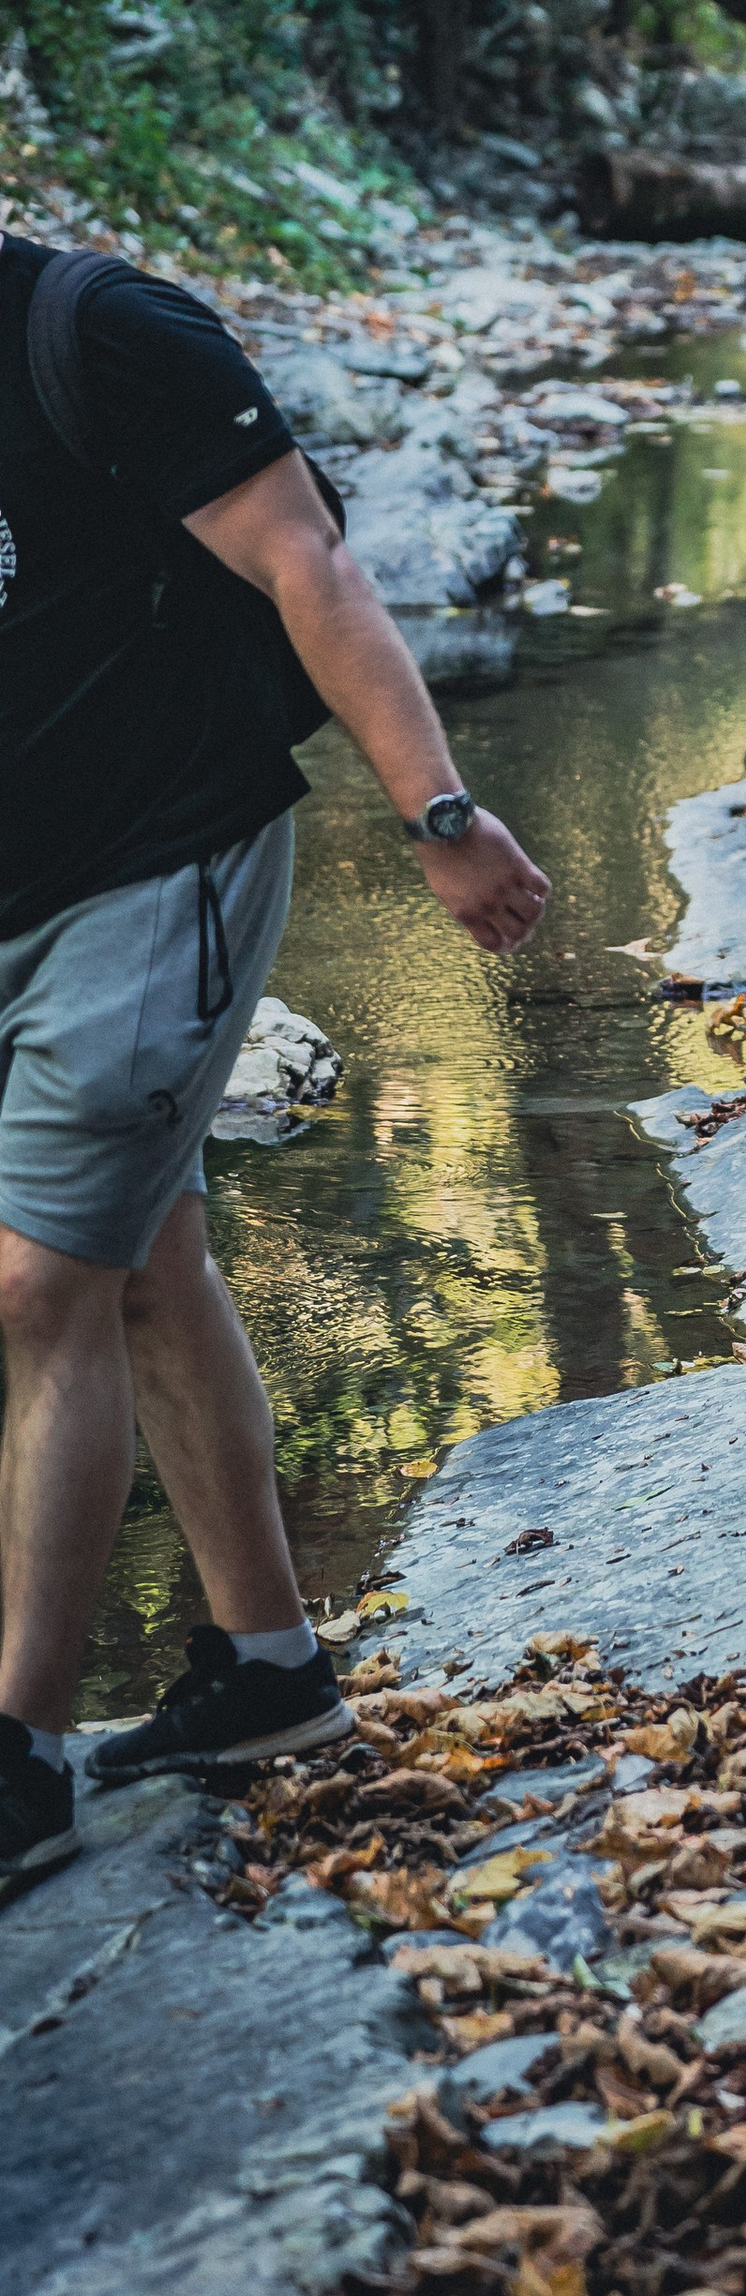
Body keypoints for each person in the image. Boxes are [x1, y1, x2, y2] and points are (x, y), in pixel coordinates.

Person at [0, 238, 550, 1904]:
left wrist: (440, 817)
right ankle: (269, 1671)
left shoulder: (98, 335)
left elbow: (309, 562)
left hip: (158, 867)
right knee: (147, 1262)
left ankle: (16, 1756)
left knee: (37, 1292)